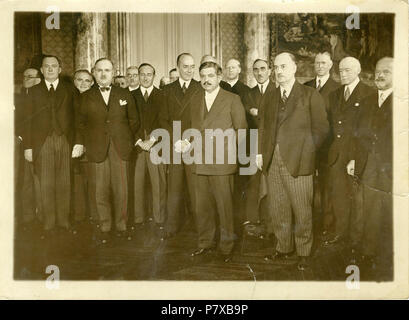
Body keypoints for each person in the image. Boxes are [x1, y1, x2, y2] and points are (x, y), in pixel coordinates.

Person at [257, 52, 329, 271]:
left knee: (302, 209)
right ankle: (283, 248)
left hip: (299, 161)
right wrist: (260, 153)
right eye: (276, 67)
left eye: (283, 66)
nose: (278, 71)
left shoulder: (309, 95)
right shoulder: (269, 96)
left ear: (294, 68)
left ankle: (304, 252)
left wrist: (306, 151)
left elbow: (322, 129)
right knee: (278, 207)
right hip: (272, 160)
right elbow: (264, 127)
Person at [75, 58, 139, 243]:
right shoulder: (85, 97)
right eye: (100, 70)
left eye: (107, 70)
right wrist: (85, 142)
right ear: (94, 72)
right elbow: (80, 124)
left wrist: (125, 138)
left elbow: (134, 121)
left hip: (120, 148)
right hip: (97, 148)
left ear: (113, 72)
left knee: (122, 190)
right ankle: (105, 225)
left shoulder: (125, 94)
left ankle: (122, 226)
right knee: (100, 190)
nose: (103, 74)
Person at [189, 61, 247, 262]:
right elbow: (193, 129)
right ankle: (205, 243)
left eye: (211, 76)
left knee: (225, 207)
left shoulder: (232, 99)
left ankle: (227, 247)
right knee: (202, 207)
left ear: (219, 77)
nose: (206, 80)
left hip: (222, 163)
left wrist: (230, 155)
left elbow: (241, 131)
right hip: (200, 162)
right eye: (203, 76)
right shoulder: (195, 99)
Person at [346, 57, 393, 271]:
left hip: (392, 167)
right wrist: (353, 159)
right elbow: (356, 135)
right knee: (367, 211)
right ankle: (368, 252)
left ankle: (388, 256)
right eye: (377, 71)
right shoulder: (366, 102)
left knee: (390, 212)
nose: (380, 75)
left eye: (387, 71)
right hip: (367, 166)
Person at [23, 55, 78, 239]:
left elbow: (78, 119)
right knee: (46, 183)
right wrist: (28, 147)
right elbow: (27, 122)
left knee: (64, 182)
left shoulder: (70, 89)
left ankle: (63, 221)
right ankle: (49, 223)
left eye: (54, 66)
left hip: (64, 139)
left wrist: (78, 142)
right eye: (47, 66)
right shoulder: (33, 91)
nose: (51, 69)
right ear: (41, 69)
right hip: (42, 141)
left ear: (60, 69)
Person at [324, 57, 375, 249]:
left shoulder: (368, 93)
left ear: (358, 70)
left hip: (357, 156)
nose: (343, 74)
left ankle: (356, 240)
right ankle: (341, 234)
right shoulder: (334, 94)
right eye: (340, 70)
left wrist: (354, 158)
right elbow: (330, 127)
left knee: (358, 200)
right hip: (336, 156)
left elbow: (365, 132)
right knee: (339, 197)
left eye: (347, 70)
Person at [160, 53, 201, 239]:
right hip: (175, 145)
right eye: (186, 66)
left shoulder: (201, 88)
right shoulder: (167, 91)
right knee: (174, 187)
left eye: (192, 66)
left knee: (196, 188)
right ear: (177, 67)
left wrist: (189, 140)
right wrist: (176, 140)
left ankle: (200, 225)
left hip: (193, 144)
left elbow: (202, 120)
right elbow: (163, 118)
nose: (190, 70)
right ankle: (171, 226)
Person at [304, 51, 340, 235]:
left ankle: (327, 226)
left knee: (326, 186)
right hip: (306, 146)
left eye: (323, 63)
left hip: (327, 146)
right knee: (306, 186)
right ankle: (309, 224)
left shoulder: (337, 88)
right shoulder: (305, 86)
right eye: (317, 63)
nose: (319, 66)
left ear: (330, 65)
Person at [132, 63, 167, 236]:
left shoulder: (162, 95)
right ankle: (138, 219)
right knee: (137, 183)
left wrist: (152, 140)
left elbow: (164, 121)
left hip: (156, 143)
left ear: (154, 75)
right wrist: (139, 140)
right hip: (138, 145)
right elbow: (128, 121)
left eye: (149, 74)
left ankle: (159, 218)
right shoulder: (130, 95)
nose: (146, 77)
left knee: (158, 183)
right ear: (138, 76)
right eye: (142, 74)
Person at [15, 68, 42, 228]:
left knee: (39, 181)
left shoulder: (43, 97)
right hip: (19, 145)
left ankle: (41, 216)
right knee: (24, 182)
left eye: (30, 76)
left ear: (39, 79)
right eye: (24, 76)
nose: (26, 79)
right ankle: (28, 217)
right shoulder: (18, 98)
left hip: (37, 144)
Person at [72, 69, 97, 224]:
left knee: (94, 182)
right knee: (77, 183)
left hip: (92, 147)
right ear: (74, 81)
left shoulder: (96, 98)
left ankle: (94, 215)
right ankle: (79, 216)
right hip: (72, 147)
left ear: (92, 83)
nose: (83, 83)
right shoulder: (69, 98)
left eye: (87, 80)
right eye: (79, 79)